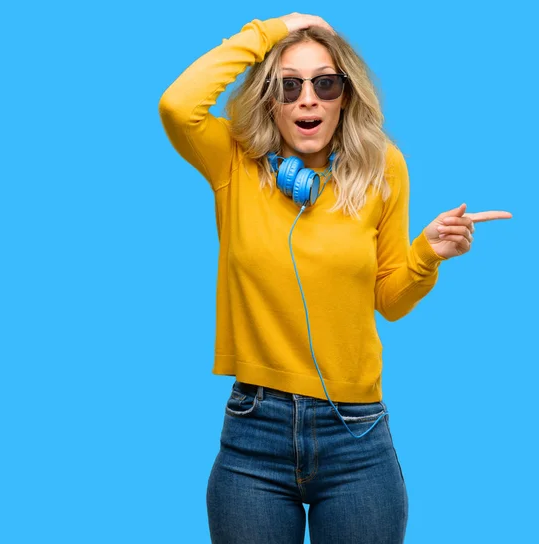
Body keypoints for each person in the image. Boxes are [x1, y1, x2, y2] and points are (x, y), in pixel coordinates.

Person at [158, 12, 512, 544]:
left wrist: (426, 255)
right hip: (255, 431)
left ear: (344, 95)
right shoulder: (234, 162)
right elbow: (177, 106)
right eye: (289, 85)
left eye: (325, 83)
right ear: (269, 98)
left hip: (357, 435)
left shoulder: (383, 167)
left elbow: (389, 301)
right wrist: (271, 31)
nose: (308, 99)